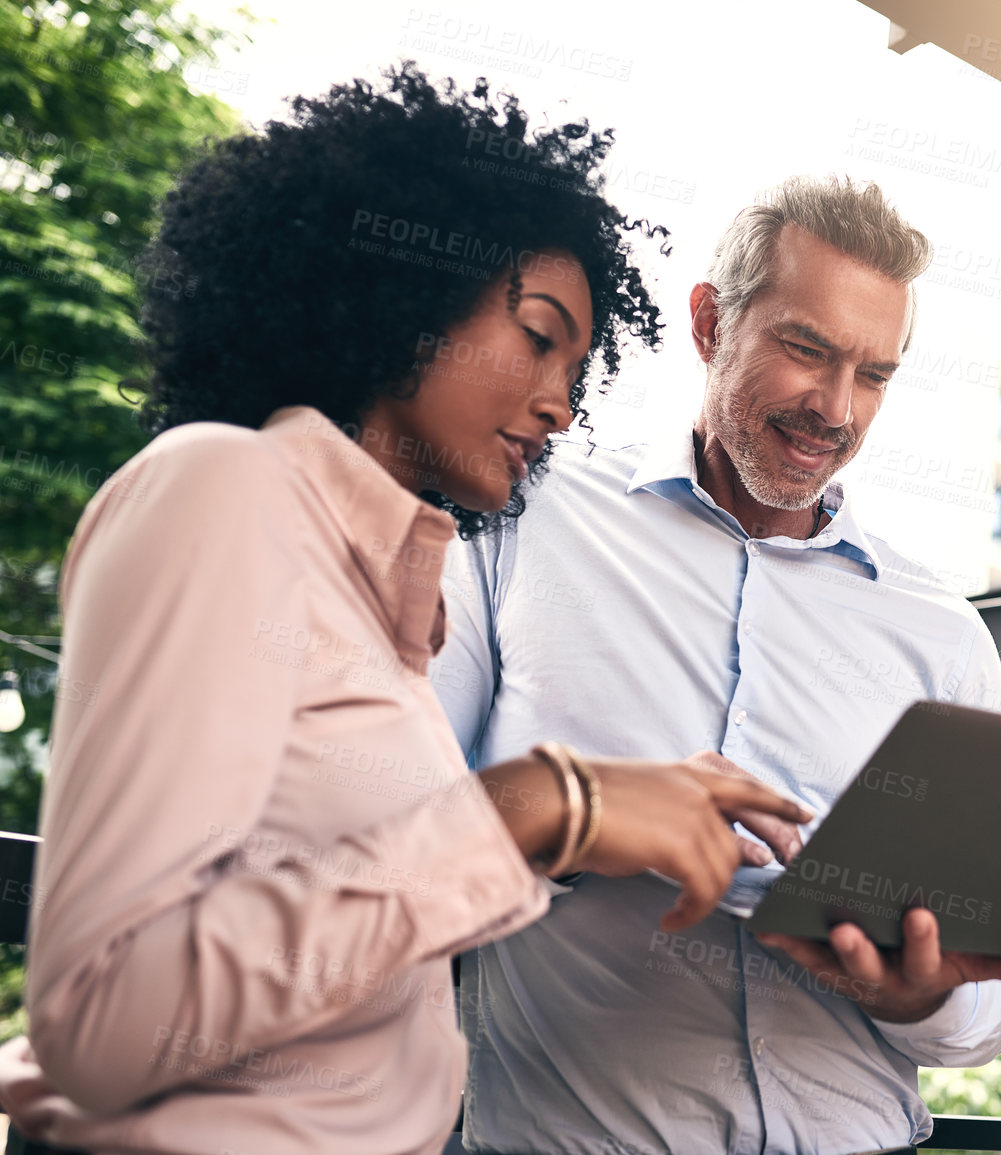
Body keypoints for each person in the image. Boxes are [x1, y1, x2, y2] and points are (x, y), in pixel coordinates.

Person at [0, 67, 808, 1155]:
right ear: (399, 292)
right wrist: (533, 807)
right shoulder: (224, 489)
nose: (561, 406)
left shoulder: (376, 605)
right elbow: (103, 1018)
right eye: (537, 334)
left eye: (578, 365)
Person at [431, 174, 1001, 1154]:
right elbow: (395, 834)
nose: (835, 409)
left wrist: (926, 991)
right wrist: (581, 823)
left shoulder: (941, 635)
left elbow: (985, 1017)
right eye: (807, 350)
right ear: (711, 323)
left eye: (876, 374)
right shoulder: (522, 520)